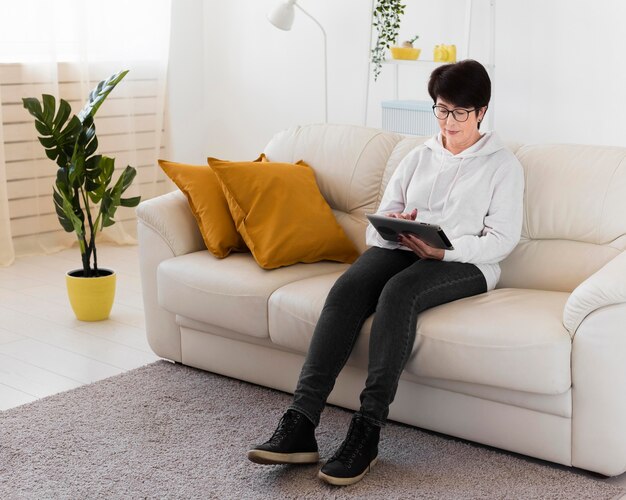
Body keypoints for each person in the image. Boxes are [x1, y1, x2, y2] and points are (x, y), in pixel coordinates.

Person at [247, 59, 524, 486]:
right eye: (441, 109)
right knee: (349, 287)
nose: (448, 122)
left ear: (482, 111)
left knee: (398, 294)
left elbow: (502, 240)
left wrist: (443, 250)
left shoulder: (502, 165)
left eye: (459, 113)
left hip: (467, 263)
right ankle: (301, 421)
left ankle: (367, 431)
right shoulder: (418, 156)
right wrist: (397, 224)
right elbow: (380, 222)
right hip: (406, 246)